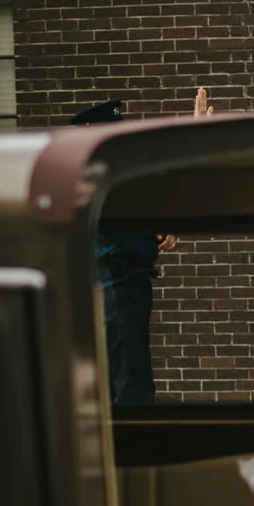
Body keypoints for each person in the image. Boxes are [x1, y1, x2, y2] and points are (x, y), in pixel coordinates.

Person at [73, 99, 178, 403]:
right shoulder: (95, 172)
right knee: (131, 386)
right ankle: (134, 449)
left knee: (122, 381)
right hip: (116, 281)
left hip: (120, 281)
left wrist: (157, 228)